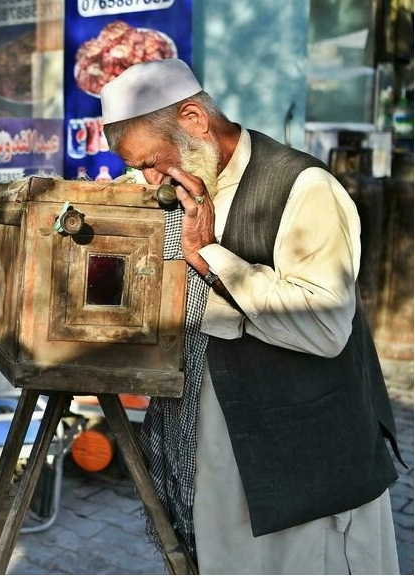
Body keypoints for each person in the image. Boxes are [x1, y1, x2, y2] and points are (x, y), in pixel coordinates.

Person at [99, 58, 401, 574]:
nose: (148, 179)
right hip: (217, 457)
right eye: (137, 168)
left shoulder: (303, 186)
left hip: (304, 464)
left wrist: (213, 258)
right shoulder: (183, 185)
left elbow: (325, 327)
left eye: (151, 161)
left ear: (194, 118)